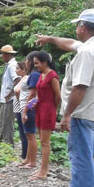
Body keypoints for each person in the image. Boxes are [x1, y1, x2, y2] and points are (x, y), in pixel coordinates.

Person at [36, 8, 94, 187]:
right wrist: (49, 39)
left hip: (83, 113)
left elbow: (80, 87)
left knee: (81, 156)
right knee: (82, 154)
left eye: (77, 26)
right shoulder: (91, 46)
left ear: (82, 27)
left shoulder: (88, 53)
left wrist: (67, 114)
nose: (76, 30)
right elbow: (70, 43)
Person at [29, 51, 61, 180]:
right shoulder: (41, 75)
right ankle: (43, 168)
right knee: (41, 139)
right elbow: (38, 94)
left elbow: (58, 96)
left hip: (48, 109)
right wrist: (33, 104)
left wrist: (54, 109)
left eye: (37, 63)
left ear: (45, 62)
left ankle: (43, 171)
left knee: (45, 142)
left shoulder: (52, 76)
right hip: (40, 108)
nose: (35, 66)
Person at [20, 51, 41, 169]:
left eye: (27, 60)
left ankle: (32, 162)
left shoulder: (34, 75)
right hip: (29, 106)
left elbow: (33, 94)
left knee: (31, 135)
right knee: (28, 134)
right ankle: (28, 159)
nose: (26, 63)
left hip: (30, 107)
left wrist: (25, 110)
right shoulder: (35, 74)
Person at [0, 45, 20, 146]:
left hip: (9, 99)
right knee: (2, 121)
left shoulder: (12, 66)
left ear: (7, 55)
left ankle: (9, 144)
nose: (2, 56)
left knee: (7, 122)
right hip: (5, 99)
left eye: (3, 54)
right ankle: (2, 142)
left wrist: (10, 93)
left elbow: (17, 79)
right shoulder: (9, 65)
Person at [13, 61, 28, 161]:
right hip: (20, 108)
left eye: (18, 68)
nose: (16, 70)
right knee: (23, 131)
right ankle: (25, 153)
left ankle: (25, 154)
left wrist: (19, 101)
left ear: (23, 70)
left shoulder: (25, 78)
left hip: (21, 108)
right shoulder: (23, 78)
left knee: (23, 132)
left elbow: (17, 91)